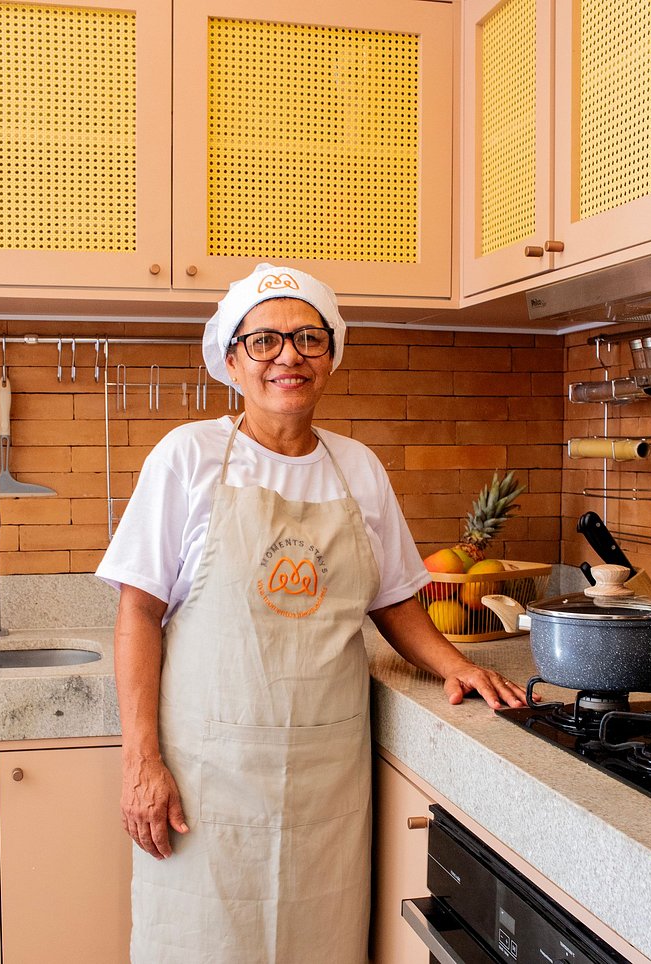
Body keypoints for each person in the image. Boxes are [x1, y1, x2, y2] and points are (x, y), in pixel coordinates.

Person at [96, 262, 527, 964]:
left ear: (331, 355)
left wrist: (458, 665)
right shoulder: (188, 457)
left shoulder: (358, 468)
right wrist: (140, 763)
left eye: (308, 339)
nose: (288, 356)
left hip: (325, 779)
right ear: (232, 360)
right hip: (208, 776)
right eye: (263, 341)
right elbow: (139, 612)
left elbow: (392, 598)